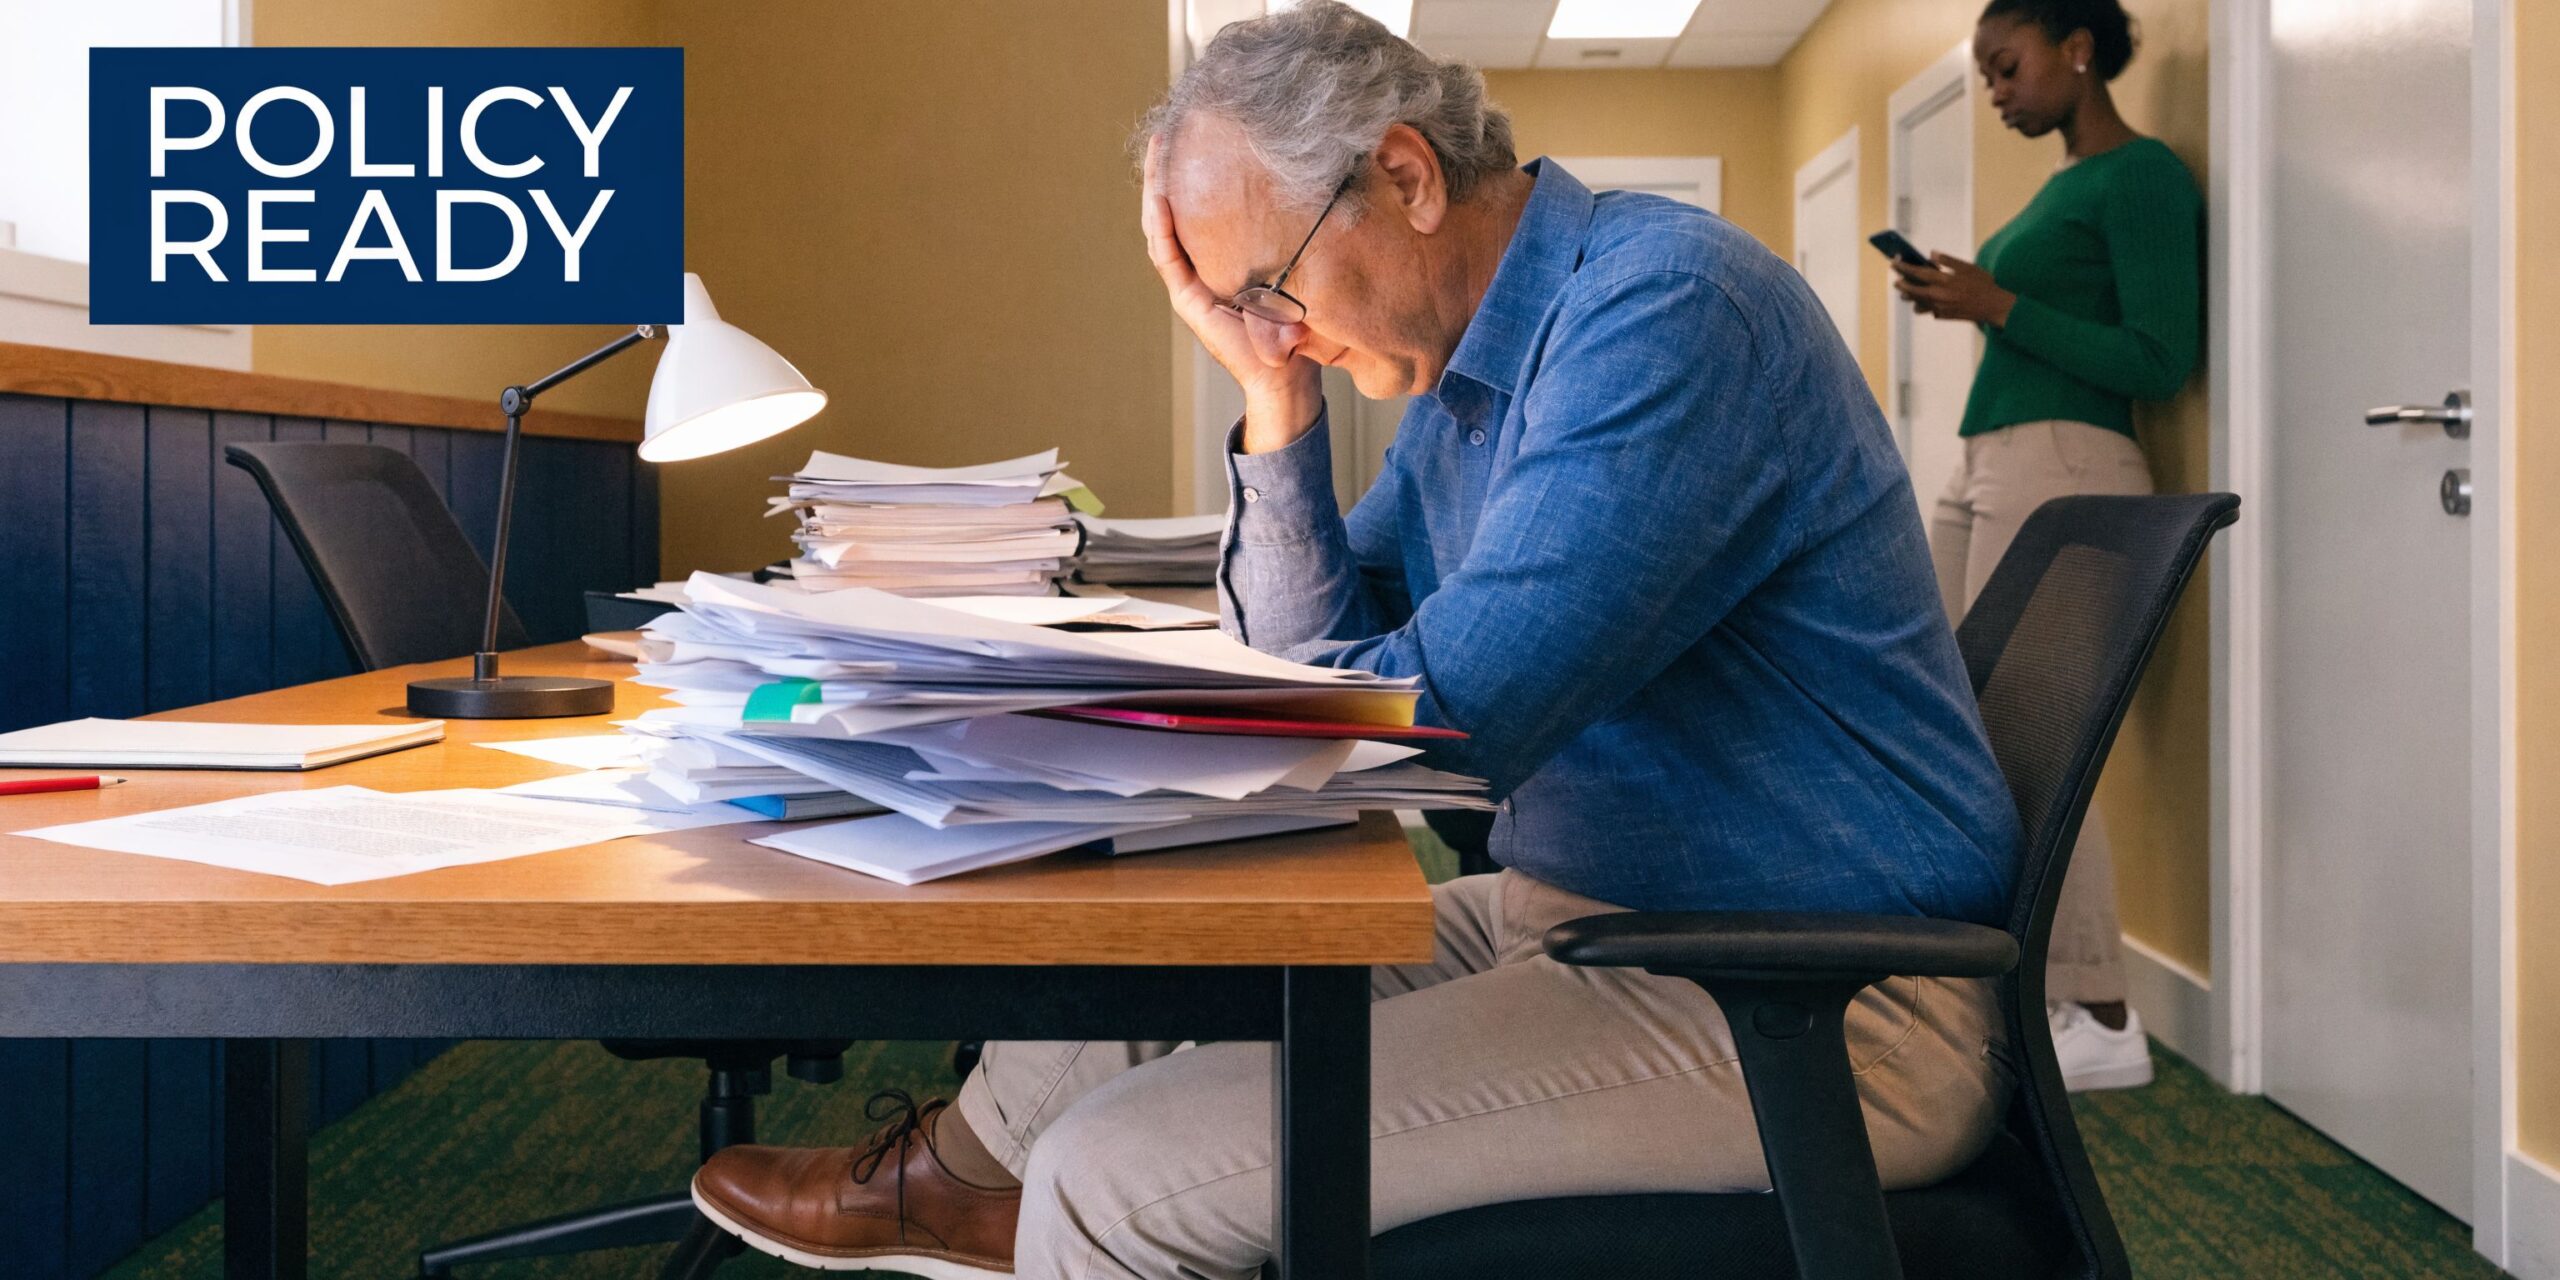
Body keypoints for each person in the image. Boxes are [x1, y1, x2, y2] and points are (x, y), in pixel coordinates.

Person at [685, 4, 2023, 1275]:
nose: (1275, 330)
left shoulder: (1664, 315)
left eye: (1266, 289)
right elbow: (1315, 668)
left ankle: (1035, 1210)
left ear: (1406, 178)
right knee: (1169, 945)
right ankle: (963, 1178)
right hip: (1593, 918)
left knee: (1107, 1176)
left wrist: (1090, 732)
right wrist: (1274, 395)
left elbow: (1430, 726)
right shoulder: (1468, 380)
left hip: (1817, 1001)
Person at [1890, 0, 2202, 1092]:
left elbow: (2160, 356)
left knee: (2029, 734)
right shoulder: (2061, 187)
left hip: (2065, 462)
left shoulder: (2141, 175)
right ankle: (1966, 964)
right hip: (1991, 458)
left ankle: (2101, 1008)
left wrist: (1999, 301)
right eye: (1982, 74)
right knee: (1932, 702)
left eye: (2006, 65)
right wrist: (1979, 306)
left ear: (2076, 49)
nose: (1995, 89)